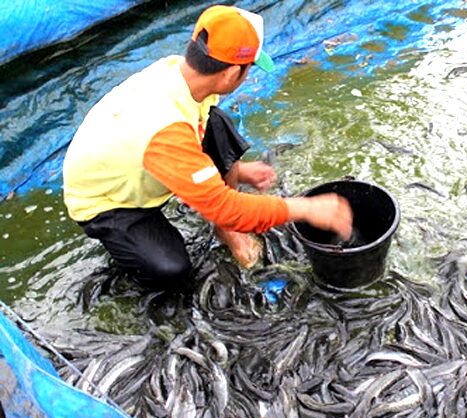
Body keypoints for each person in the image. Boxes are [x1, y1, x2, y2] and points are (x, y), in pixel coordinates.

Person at [62, 5, 353, 290]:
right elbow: (225, 207)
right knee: (170, 270)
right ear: (230, 75)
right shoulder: (165, 129)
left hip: (144, 161)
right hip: (110, 202)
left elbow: (205, 128)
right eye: (248, 69)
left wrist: (240, 170)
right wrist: (307, 208)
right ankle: (143, 244)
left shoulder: (180, 71)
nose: (248, 76)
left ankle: (226, 230)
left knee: (216, 121)